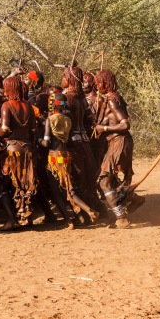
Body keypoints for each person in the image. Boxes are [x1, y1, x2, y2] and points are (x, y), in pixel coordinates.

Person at [94, 69, 144, 227]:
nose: (97, 87)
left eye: (98, 83)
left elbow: (125, 124)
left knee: (104, 182)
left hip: (119, 142)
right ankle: (134, 198)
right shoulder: (112, 97)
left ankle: (121, 219)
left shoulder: (111, 99)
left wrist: (104, 129)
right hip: (118, 142)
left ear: (105, 83)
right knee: (110, 179)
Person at [42, 92, 100, 227]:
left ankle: (75, 217)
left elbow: (46, 142)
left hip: (55, 157)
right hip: (66, 155)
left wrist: (39, 140)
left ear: (52, 104)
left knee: (61, 190)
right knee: (67, 186)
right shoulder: (68, 119)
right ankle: (80, 217)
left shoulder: (49, 120)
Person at [0, 75, 38, 228]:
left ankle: (12, 220)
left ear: (9, 89)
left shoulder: (7, 105)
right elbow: (34, 129)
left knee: (8, 185)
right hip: (28, 149)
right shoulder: (28, 105)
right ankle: (26, 217)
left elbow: (5, 128)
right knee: (26, 184)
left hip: (12, 151)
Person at [61, 64, 100, 217]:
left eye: (65, 77)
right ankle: (93, 206)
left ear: (70, 79)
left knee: (75, 179)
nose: (62, 79)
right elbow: (89, 121)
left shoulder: (67, 99)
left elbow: (63, 123)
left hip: (72, 143)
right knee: (86, 177)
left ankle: (83, 213)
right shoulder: (82, 99)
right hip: (84, 141)